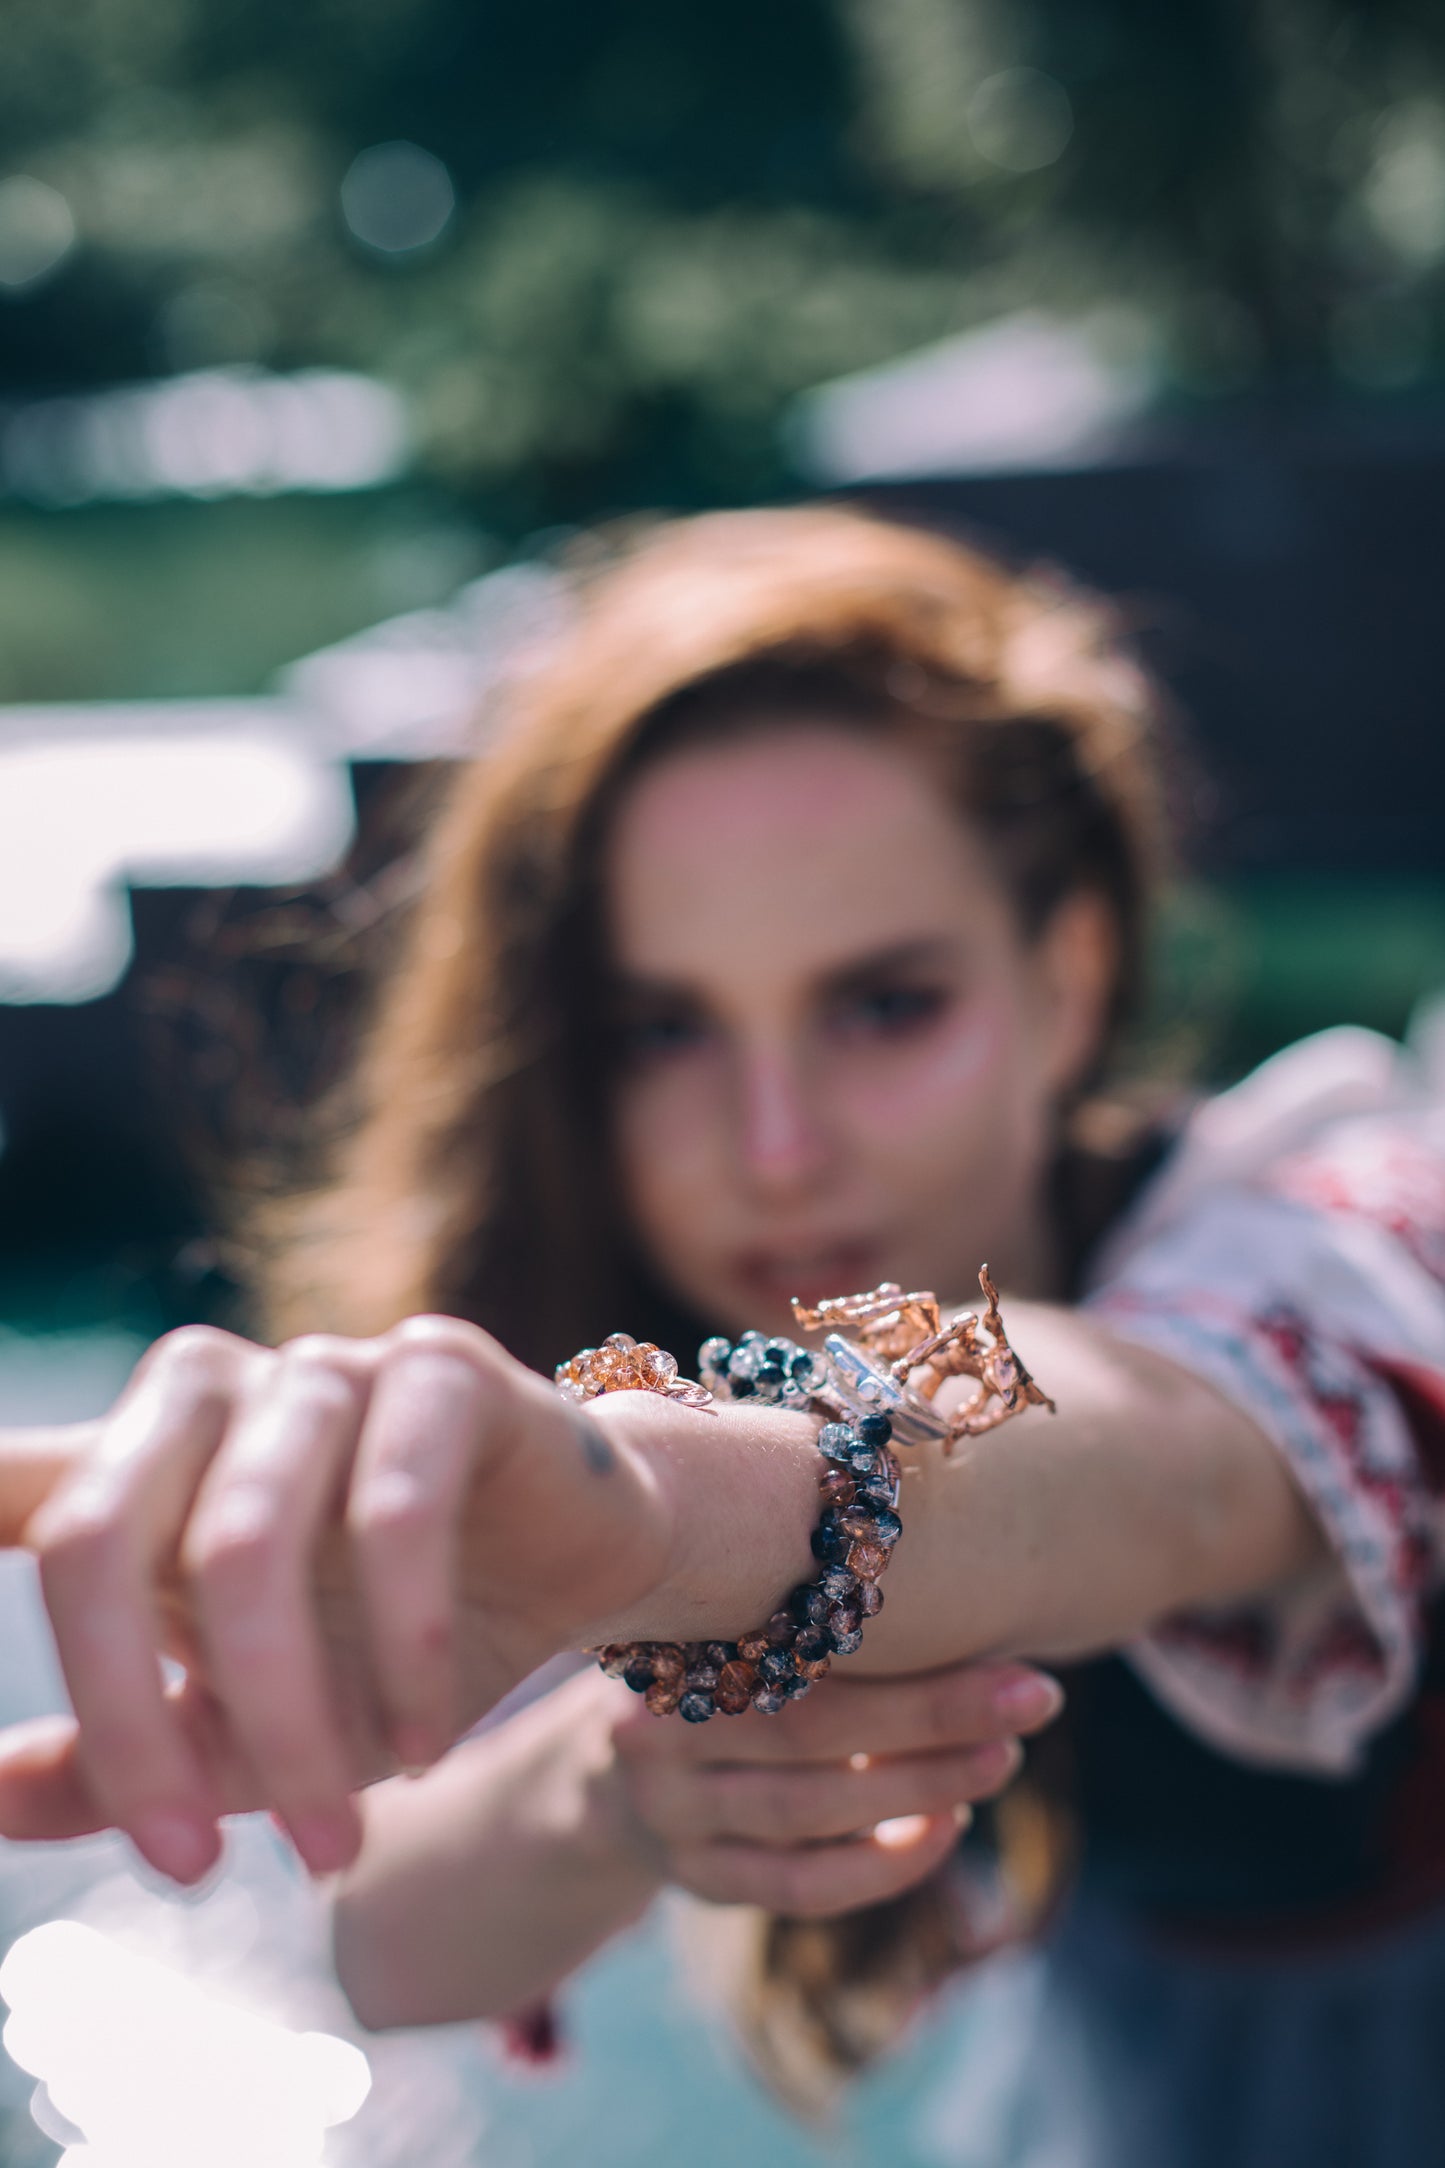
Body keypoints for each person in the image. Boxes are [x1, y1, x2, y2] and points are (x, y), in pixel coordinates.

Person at [0, 506, 1441, 2164]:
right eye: (662, 1030)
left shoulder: (1338, 1228)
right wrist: (624, 1778)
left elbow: (1159, 1460)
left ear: (1067, 976)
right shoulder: (636, 1362)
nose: (772, 1148)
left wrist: (673, 1515)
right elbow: (377, 1938)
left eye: (884, 1005)